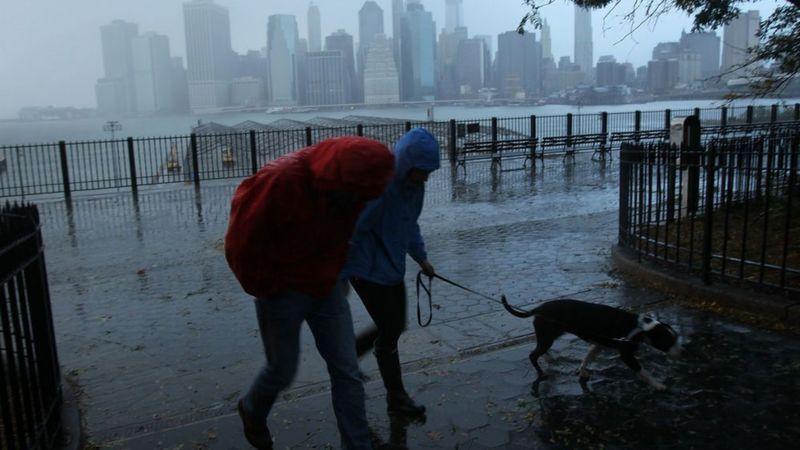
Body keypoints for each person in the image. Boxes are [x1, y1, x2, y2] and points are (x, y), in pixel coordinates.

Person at [225, 136, 395, 450]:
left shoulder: (353, 186)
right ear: (341, 180)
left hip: (325, 284)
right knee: (282, 369)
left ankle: (358, 446)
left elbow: (343, 231)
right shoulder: (282, 180)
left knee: (346, 371)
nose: (361, 200)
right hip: (281, 290)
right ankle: (252, 408)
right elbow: (242, 243)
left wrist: (338, 273)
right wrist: (268, 289)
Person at [342, 128, 440, 418]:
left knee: (395, 326)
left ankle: (347, 355)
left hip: (392, 268)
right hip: (366, 270)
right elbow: (353, 230)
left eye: (428, 172)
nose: (426, 178)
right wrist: (341, 275)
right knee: (390, 331)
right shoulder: (380, 188)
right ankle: (396, 398)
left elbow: (410, 224)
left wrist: (421, 258)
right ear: (407, 164)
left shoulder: (414, 187)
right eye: (422, 171)